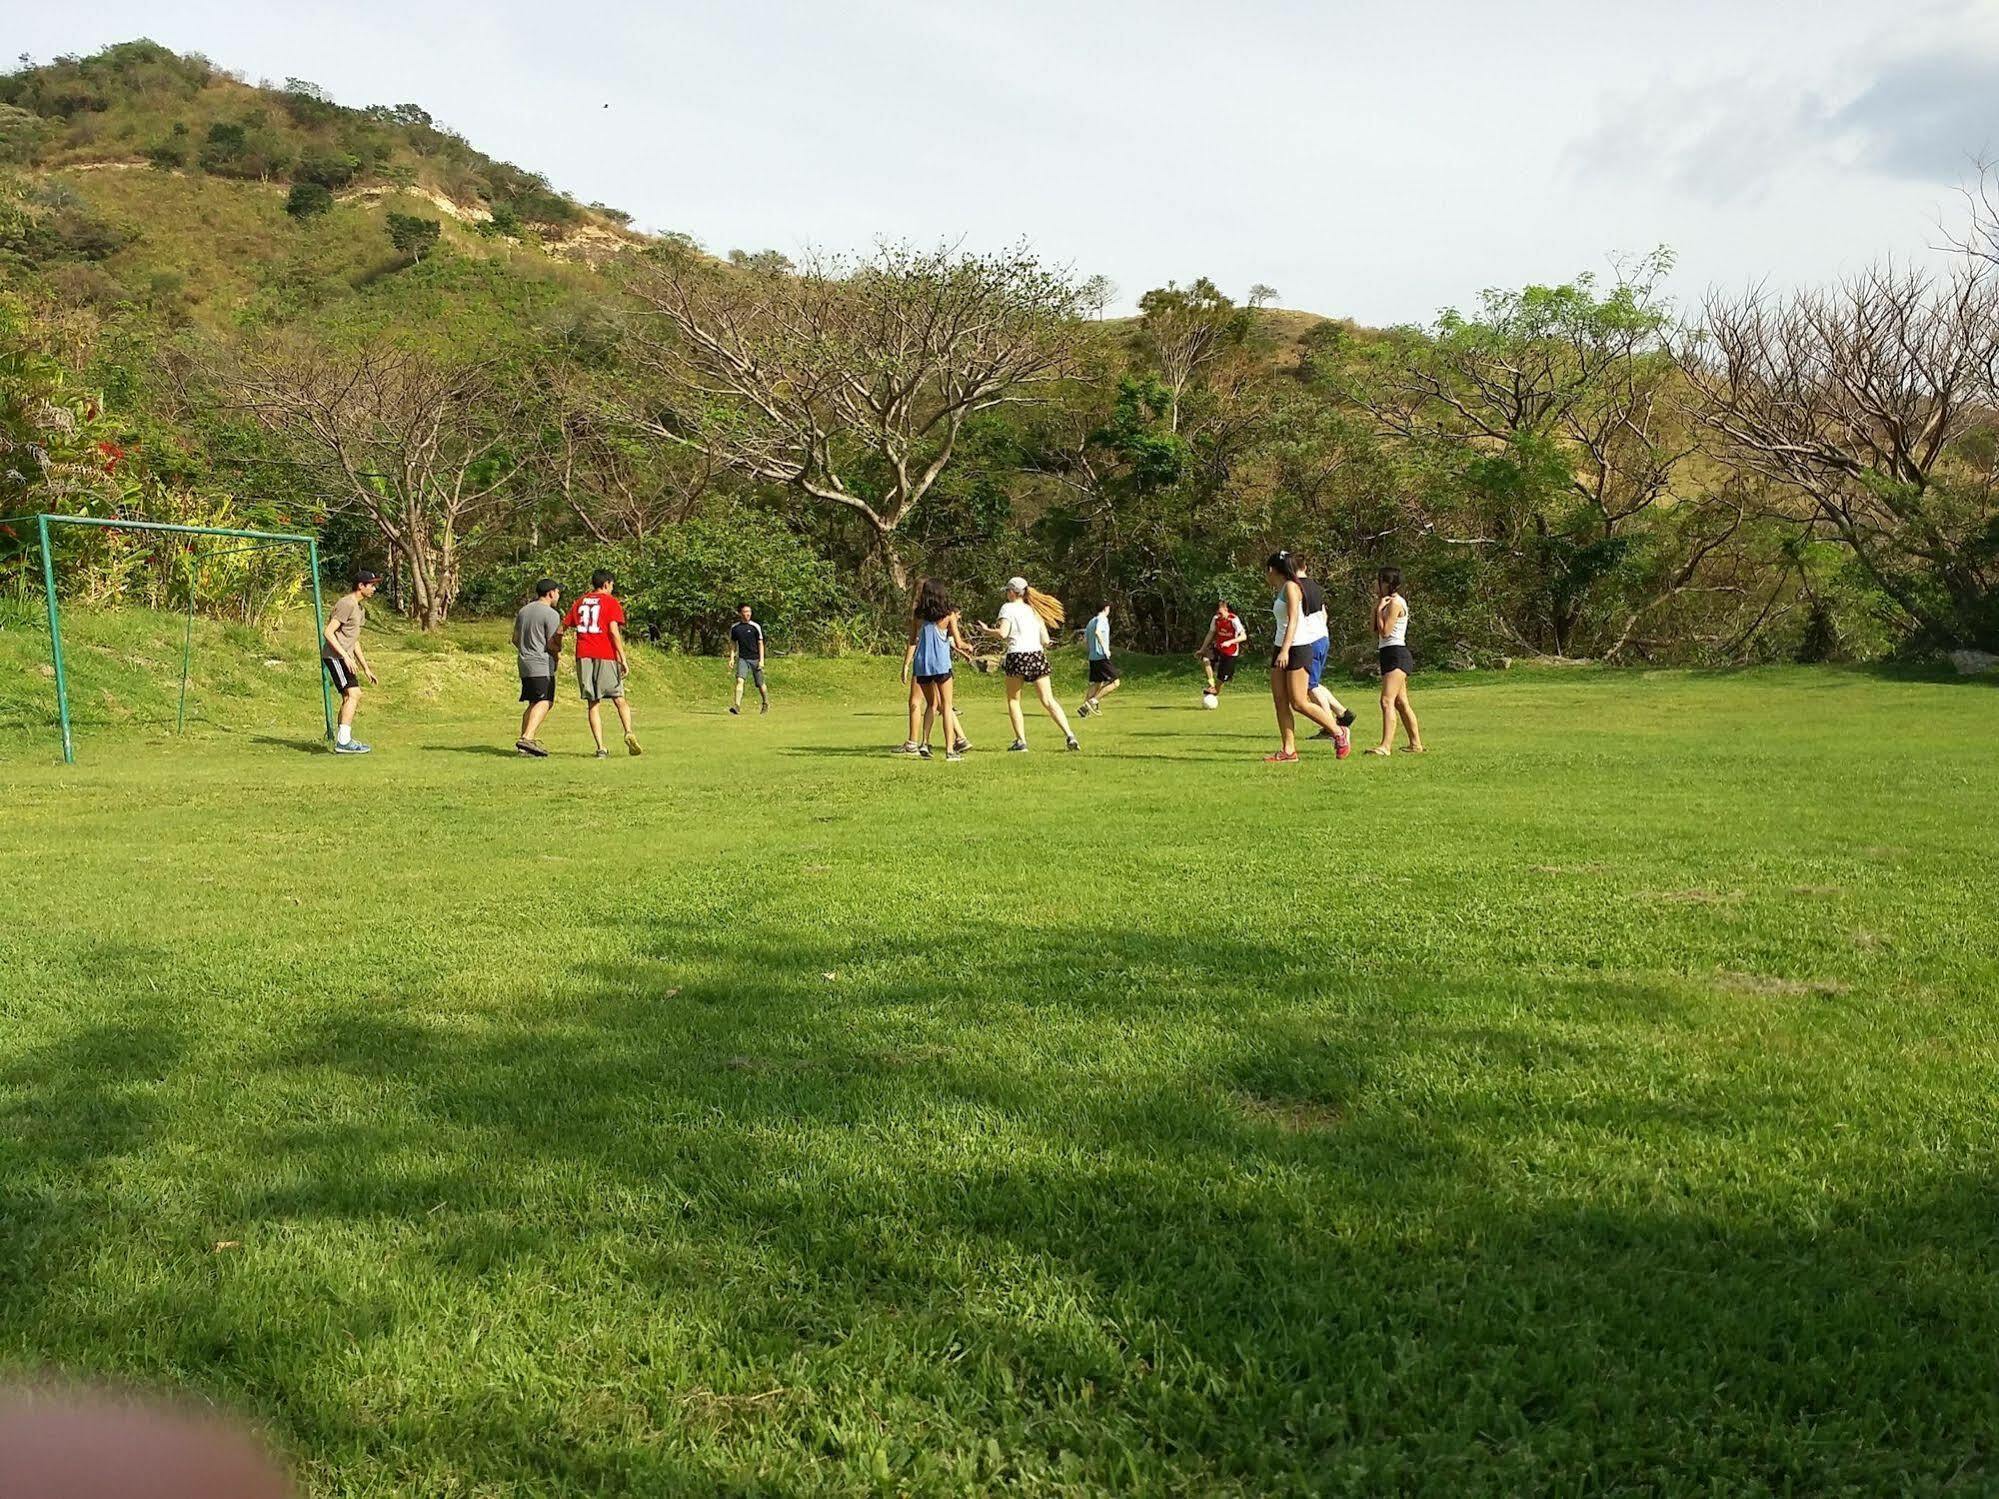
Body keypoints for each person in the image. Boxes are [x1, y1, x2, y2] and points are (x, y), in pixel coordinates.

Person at [1263, 550, 1350, 762]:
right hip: (1280, 646)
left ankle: (1338, 732)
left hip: (1297, 647)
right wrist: (1279, 649)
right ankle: (1289, 751)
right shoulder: (1282, 588)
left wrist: (1285, 650)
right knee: (1280, 701)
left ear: (1272, 570)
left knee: (1299, 702)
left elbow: (1294, 620)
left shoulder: (1292, 587)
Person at [977, 575, 1079, 752]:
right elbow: (1046, 640)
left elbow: (1003, 633)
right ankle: (1070, 735)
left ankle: (1021, 741)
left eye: (1007, 591)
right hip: (1037, 655)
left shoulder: (1007, 608)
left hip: (1017, 656)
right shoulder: (1034, 611)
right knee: (1048, 700)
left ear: (1012, 592)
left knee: (1014, 700)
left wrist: (986, 631)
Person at [557, 569, 641, 758]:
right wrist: (622, 657)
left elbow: (562, 627)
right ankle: (628, 730)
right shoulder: (611, 602)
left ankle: (601, 747)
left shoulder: (580, 601)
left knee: (593, 703)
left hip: (584, 654)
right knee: (619, 697)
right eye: (612, 585)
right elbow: (613, 631)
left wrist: (555, 648)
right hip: (605, 654)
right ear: (606, 584)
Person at [900, 578, 973, 759]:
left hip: (922, 666)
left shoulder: (918, 616)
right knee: (946, 706)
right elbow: (958, 642)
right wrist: (968, 647)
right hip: (941, 665)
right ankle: (949, 750)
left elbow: (911, 640)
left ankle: (924, 743)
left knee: (931, 704)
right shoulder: (948, 615)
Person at [1293, 562, 1355, 757]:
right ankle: (1342, 713)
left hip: (1309, 640)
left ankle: (1331, 727)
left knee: (1310, 687)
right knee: (1314, 683)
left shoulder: (1296, 587)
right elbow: (1324, 613)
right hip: (1322, 636)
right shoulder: (1315, 586)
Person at [321, 569, 380, 755]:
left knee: (349, 697)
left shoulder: (360, 609)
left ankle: (343, 740)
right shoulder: (346, 604)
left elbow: (354, 641)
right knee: (354, 694)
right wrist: (345, 656)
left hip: (346, 658)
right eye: (371, 585)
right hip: (335, 656)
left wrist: (366, 668)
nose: (374, 589)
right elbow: (328, 632)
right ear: (360, 586)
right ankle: (343, 742)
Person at [1369, 565, 1425, 756]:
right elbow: (1374, 629)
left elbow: (1386, 632)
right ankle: (1416, 744)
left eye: (1378, 581)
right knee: (1401, 702)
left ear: (1386, 583)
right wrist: (1376, 607)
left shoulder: (1395, 603)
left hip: (1397, 654)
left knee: (1387, 701)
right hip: (1387, 653)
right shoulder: (1384, 602)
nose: (1374, 585)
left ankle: (1385, 746)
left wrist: (1380, 611)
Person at [511, 578, 562, 757]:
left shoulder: (524, 611)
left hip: (524, 662)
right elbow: (552, 642)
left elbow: (515, 639)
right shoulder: (551, 614)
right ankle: (527, 737)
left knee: (533, 701)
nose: (558, 595)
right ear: (550, 593)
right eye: (557, 592)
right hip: (541, 663)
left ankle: (523, 746)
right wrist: (557, 656)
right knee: (545, 701)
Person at [1076, 602, 1120, 717]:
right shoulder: (1102, 619)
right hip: (1101, 656)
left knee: (1097, 683)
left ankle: (1084, 709)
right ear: (1106, 608)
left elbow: (1085, 641)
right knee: (1115, 682)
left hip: (1093, 657)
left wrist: (1091, 651)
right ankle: (1092, 701)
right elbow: (1098, 632)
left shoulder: (1091, 621)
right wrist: (1105, 649)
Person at [1196, 599, 1248, 696]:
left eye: (1220, 612)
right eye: (1217, 613)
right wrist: (1202, 649)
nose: (1218, 615)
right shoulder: (1216, 619)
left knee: (1221, 679)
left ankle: (1215, 691)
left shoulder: (1234, 620)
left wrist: (1230, 642)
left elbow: (1243, 636)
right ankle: (1211, 685)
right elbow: (1211, 633)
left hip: (1230, 652)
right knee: (1205, 659)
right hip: (1218, 647)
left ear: (1226, 609)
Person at [727, 604, 768, 716]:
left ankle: (765, 702)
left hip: (755, 658)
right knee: (740, 680)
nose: (748, 614)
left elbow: (760, 643)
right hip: (742, 658)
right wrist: (731, 658)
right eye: (745, 611)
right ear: (740, 613)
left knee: (760, 684)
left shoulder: (755, 627)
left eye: (749, 611)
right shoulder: (735, 628)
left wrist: (762, 660)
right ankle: (737, 706)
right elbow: (733, 644)